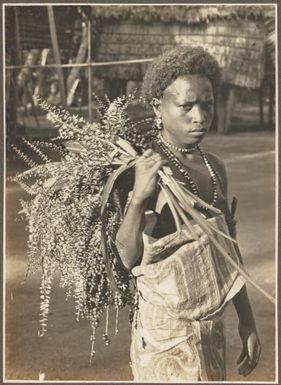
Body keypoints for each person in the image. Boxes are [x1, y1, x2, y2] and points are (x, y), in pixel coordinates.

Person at [115, 46, 261, 381]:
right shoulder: (146, 168)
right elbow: (126, 256)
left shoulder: (214, 169)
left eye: (206, 105)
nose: (199, 116)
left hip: (211, 328)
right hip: (165, 337)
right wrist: (139, 198)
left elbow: (227, 249)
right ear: (158, 107)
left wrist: (247, 320)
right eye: (186, 106)